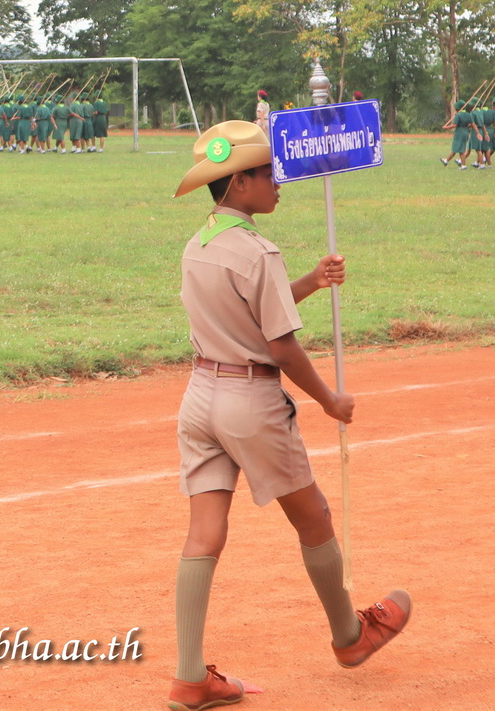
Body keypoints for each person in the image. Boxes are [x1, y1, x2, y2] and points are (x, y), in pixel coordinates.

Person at [165, 120, 410, 710]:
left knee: (204, 534)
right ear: (238, 183)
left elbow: (247, 312)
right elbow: (279, 345)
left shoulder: (200, 243)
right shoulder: (257, 250)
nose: (279, 183)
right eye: (268, 174)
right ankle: (350, 637)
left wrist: (310, 282)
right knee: (314, 517)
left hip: (200, 397)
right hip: (250, 402)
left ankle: (190, 676)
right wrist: (329, 400)